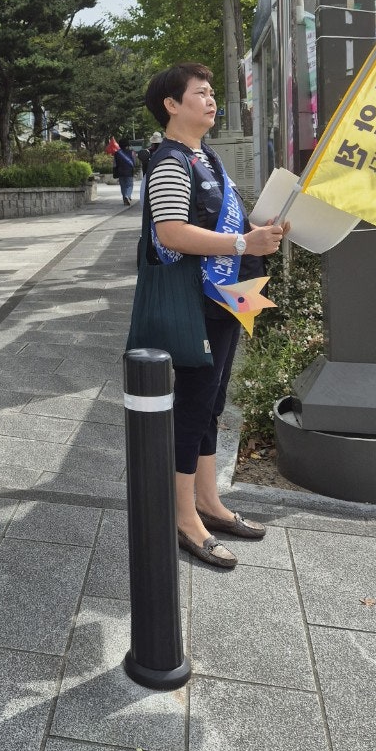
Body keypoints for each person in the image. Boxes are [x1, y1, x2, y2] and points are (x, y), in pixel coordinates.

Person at [141, 63, 288, 569]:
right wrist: (243, 240)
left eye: (211, 93)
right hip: (195, 303)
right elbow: (171, 233)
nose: (211, 101)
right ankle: (185, 518)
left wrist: (259, 230)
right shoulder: (170, 162)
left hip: (228, 297)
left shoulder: (208, 160)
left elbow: (229, 226)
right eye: (200, 94)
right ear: (171, 105)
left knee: (213, 403)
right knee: (193, 404)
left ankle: (209, 501)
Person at [112, 138, 136, 206]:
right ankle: (127, 196)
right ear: (127, 145)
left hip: (120, 172)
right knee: (130, 185)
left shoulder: (116, 153)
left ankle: (124, 199)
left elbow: (114, 164)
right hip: (129, 171)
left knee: (123, 186)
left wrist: (115, 172)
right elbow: (134, 162)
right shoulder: (132, 152)